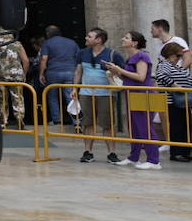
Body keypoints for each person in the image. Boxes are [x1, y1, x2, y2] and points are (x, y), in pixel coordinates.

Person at [108, 31, 159, 169]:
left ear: (135, 42)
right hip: (132, 94)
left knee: (145, 127)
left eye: (126, 38)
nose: (123, 39)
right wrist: (116, 72)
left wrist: (121, 70)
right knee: (134, 127)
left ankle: (154, 160)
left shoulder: (142, 56)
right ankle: (134, 157)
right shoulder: (129, 58)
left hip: (144, 94)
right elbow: (128, 78)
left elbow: (141, 77)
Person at [72, 28, 122, 163]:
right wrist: (75, 88)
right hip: (86, 93)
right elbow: (78, 71)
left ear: (98, 40)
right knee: (87, 123)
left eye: (90, 36)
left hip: (106, 93)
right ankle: (88, 151)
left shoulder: (113, 54)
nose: (86, 38)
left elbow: (121, 73)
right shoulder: (82, 53)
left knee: (108, 124)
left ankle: (112, 152)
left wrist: (113, 70)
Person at [154, 42, 191, 162]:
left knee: (186, 127)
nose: (179, 58)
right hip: (172, 102)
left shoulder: (177, 67)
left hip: (184, 102)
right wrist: (175, 86)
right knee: (177, 127)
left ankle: (185, 151)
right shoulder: (164, 65)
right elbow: (160, 76)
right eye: (177, 56)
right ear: (171, 54)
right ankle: (176, 153)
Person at [38, 25, 81, 126]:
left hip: (53, 72)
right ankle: (76, 121)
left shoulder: (47, 43)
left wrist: (41, 74)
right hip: (70, 72)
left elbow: (44, 59)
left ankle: (56, 120)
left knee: (52, 96)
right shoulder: (72, 42)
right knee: (71, 96)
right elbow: (79, 57)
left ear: (48, 34)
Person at [0, 29, 29, 131]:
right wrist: (24, 74)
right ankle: (19, 119)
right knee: (17, 97)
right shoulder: (16, 43)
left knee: (2, 98)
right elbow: (26, 60)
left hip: (0, 74)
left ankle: (3, 121)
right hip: (16, 75)